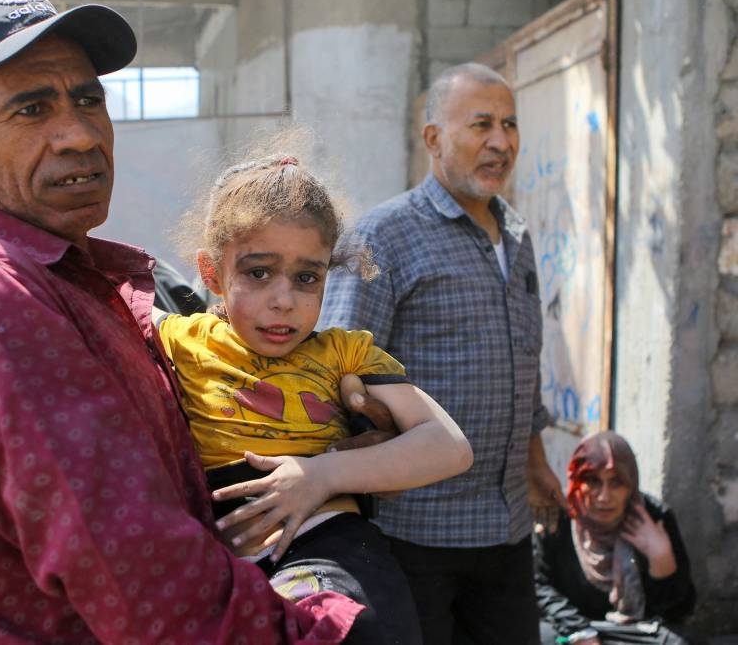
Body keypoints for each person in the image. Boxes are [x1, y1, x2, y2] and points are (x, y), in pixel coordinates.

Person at [0, 0, 377, 643]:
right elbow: (151, 588)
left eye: (88, 100)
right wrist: (326, 630)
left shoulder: (78, 281)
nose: (80, 134)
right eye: (32, 109)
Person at [157, 147, 475, 643]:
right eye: (258, 272)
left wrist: (320, 474)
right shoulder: (179, 339)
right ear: (212, 271)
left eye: (307, 277)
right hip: (225, 562)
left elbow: (450, 446)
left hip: (331, 547)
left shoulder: (345, 354)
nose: (284, 299)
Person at [318, 61, 567, 644]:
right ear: (433, 139)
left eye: (510, 125)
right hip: (415, 534)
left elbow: (522, 363)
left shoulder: (518, 238)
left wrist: (534, 466)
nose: (501, 142)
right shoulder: (384, 236)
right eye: (481, 125)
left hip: (506, 531)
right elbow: (335, 373)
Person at [535, 431, 696, 645]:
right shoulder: (557, 517)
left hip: (632, 632)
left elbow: (679, 611)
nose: (604, 496)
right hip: (573, 629)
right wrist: (579, 631)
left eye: (616, 482)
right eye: (592, 481)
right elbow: (538, 587)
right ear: (576, 481)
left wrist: (661, 559)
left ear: (631, 484)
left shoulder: (652, 517)